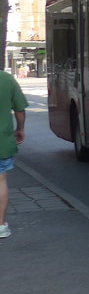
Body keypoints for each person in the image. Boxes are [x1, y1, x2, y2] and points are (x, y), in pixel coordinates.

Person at [0, 69, 29, 239]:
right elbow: (19, 108)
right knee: (0, 180)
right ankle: (1, 225)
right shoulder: (6, 79)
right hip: (2, 142)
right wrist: (20, 129)